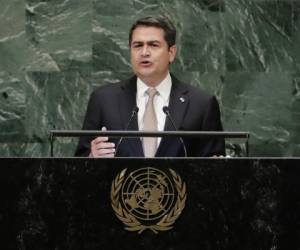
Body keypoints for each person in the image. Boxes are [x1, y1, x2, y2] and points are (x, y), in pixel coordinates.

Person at [75, 16, 225, 157]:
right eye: (137, 46)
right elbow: (76, 163)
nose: (144, 52)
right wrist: (91, 156)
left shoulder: (201, 104)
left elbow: (215, 167)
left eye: (153, 45)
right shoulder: (103, 100)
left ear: (171, 53)